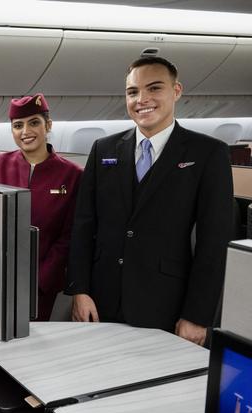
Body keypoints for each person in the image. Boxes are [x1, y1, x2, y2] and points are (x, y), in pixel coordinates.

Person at [66, 56, 234, 346]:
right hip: (100, 299)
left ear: (176, 91)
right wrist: (79, 290)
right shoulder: (103, 149)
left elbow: (214, 243)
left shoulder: (208, 153)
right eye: (133, 92)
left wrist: (197, 315)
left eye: (154, 88)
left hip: (165, 303)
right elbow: (83, 224)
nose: (142, 99)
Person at [0, 93, 82, 320]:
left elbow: (69, 236)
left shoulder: (73, 175)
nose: (25, 132)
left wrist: (40, 280)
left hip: (42, 283)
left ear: (48, 125)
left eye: (34, 123)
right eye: (18, 125)